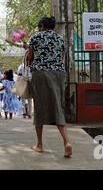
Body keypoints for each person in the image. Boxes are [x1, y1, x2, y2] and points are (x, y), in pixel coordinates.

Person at [24, 16, 72, 158]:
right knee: (57, 106)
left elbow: (30, 58)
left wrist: (27, 53)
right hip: (59, 74)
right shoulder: (60, 38)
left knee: (40, 107)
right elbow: (61, 58)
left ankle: (39, 144)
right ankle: (66, 142)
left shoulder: (35, 37)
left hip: (41, 74)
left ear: (41, 26)